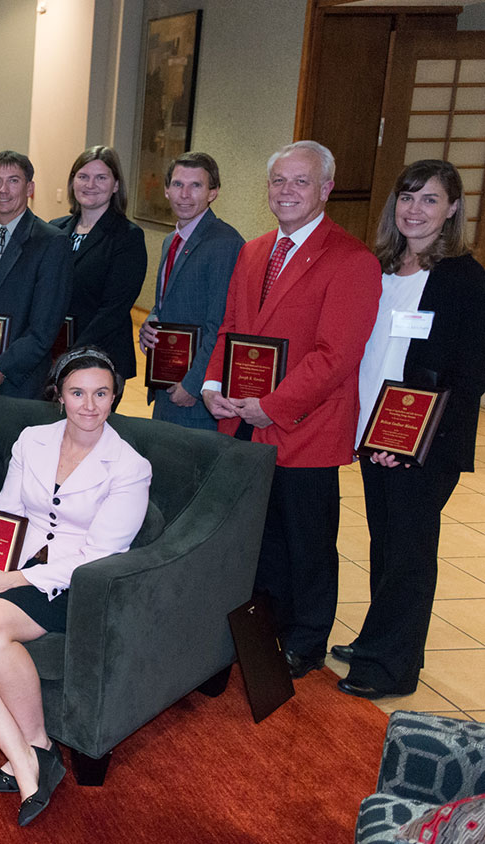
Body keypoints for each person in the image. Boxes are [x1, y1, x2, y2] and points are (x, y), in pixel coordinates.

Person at [0, 346, 151, 826]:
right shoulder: (33, 440)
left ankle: (32, 756)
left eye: (100, 394)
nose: (88, 406)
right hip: (18, 561)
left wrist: (12, 579)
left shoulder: (129, 467)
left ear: (114, 398)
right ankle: (31, 755)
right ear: (60, 395)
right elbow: (7, 515)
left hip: (78, 582)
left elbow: (98, 555)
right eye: (77, 393)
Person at [202, 141, 381, 678]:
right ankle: (265, 626)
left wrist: (273, 406)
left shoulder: (352, 260)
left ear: (326, 188)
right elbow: (232, 325)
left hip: (307, 426)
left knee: (308, 542)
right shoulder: (254, 250)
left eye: (300, 181)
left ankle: (306, 638)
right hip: (244, 420)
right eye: (278, 180)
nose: (287, 191)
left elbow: (336, 357)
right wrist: (214, 382)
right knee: (261, 535)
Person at [333, 160, 485, 699]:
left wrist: (414, 445)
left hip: (423, 446)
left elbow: (470, 379)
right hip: (376, 435)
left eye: (428, 199)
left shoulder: (464, 280)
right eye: (407, 197)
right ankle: (381, 637)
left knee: (409, 553)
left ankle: (390, 667)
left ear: (450, 210)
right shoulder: (379, 268)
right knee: (386, 543)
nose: (414, 209)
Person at [138, 152, 244, 430]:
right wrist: (150, 321)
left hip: (194, 397)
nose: (184, 194)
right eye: (177, 184)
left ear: (213, 193)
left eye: (196, 185)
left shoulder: (225, 244)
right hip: (166, 382)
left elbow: (220, 323)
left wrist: (194, 384)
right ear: (166, 189)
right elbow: (166, 301)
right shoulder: (170, 240)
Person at [0, 151, 72, 398]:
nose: (3, 190)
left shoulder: (52, 242)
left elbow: (45, 327)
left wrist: (3, 367)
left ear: (30, 188)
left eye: (14, 180)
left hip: (18, 382)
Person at [49, 146, 146, 381]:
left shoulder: (127, 236)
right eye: (83, 176)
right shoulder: (54, 229)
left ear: (115, 185)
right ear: (73, 182)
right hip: (53, 353)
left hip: (102, 359)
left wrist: (73, 356)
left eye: (101, 177)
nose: (90, 184)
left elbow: (113, 310)